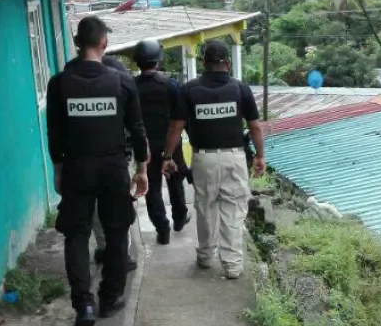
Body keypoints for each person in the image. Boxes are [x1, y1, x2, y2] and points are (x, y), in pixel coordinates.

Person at [46, 16, 149, 326]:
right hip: (113, 168)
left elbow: (54, 133)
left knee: (76, 236)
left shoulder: (59, 83)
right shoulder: (121, 82)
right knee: (117, 232)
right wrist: (142, 168)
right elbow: (137, 129)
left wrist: (59, 169)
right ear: (104, 43)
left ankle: (84, 306)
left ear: (78, 43)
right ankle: (109, 298)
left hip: (76, 167)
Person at [161, 40, 265, 279]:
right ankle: (232, 265)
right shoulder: (240, 89)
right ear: (227, 63)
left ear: (204, 63)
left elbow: (176, 126)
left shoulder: (189, 90)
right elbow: (255, 126)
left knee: (205, 206)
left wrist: (167, 156)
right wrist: (260, 156)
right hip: (235, 157)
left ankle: (206, 256)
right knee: (233, 208)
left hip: (203, 158)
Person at [65, 54, 138, 273]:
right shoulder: (121, 89)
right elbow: (135, 129)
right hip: (117, 163)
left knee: (97, 210)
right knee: (119, 209)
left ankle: (106, 248)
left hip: (83, 165)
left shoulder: (72, 91)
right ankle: (119, 253)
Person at [133, 40, 191, 245]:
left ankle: (162, 227)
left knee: (152, 189)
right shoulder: (171, 85)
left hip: (145, 146)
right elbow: (181, 117)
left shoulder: (132, 86)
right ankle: (179, 218)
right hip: (170, 143)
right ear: (159, 60)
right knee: (175, 181)